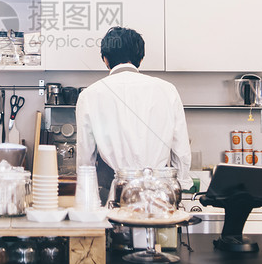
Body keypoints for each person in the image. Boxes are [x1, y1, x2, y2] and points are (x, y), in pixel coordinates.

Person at [75, 26, 193, 202]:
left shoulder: (90, 95)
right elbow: (181, 150)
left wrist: (89, 200)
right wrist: (181, 186)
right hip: (160, 195)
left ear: (105, 59)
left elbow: (85, 159)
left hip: (116, 195)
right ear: (141, 58)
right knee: (158, 230)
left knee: (118, 228)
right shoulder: (167, 90)